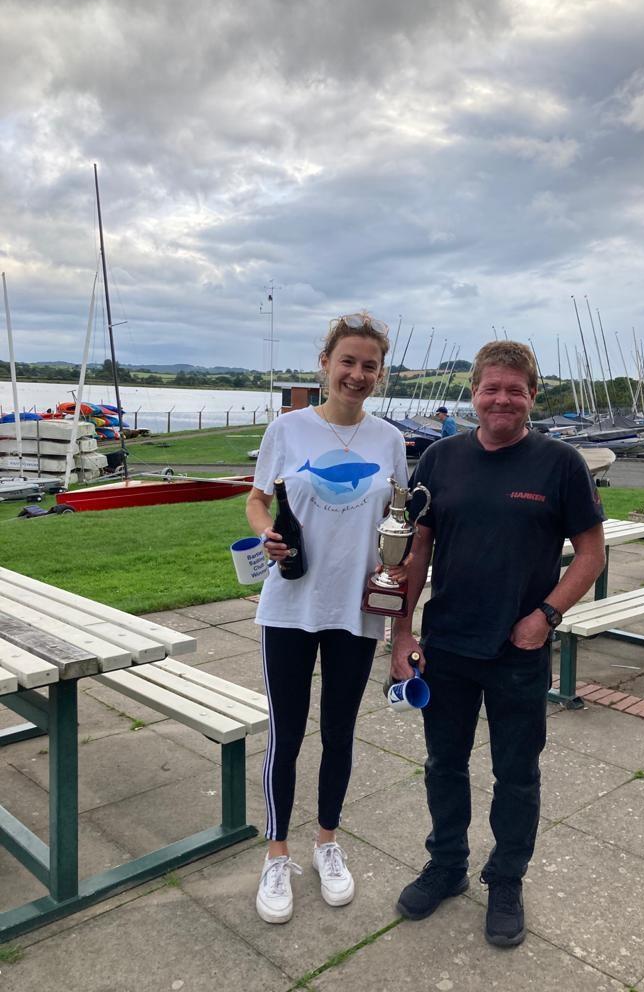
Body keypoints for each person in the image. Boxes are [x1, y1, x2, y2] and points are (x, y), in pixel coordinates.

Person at [390, 340, 606, 948]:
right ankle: (448, 865)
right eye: (491, 387)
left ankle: (506, 879)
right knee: (443, 765)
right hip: (448, 646)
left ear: (532, 395)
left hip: (519, 651)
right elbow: (416, 551)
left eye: (515, 389)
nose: (502, 399)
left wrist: (547, 615)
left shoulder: (560, 464)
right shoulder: (439, 459)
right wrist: (402, 631)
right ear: (474, 394)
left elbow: (591, 553)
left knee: (516, 775)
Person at [246, 312, 408, 924]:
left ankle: (327, 843)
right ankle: (277, 852)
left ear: (379, 373)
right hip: (290, 605)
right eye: (348, 361)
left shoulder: (389, 440)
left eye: (369, 365)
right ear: (325, 363)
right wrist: (268, 536)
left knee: (339, 732)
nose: (357, 374)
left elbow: (398, 518)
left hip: (356, 607)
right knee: (285, 735)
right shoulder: (286, 429)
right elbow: (257, 500)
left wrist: (398, 584)